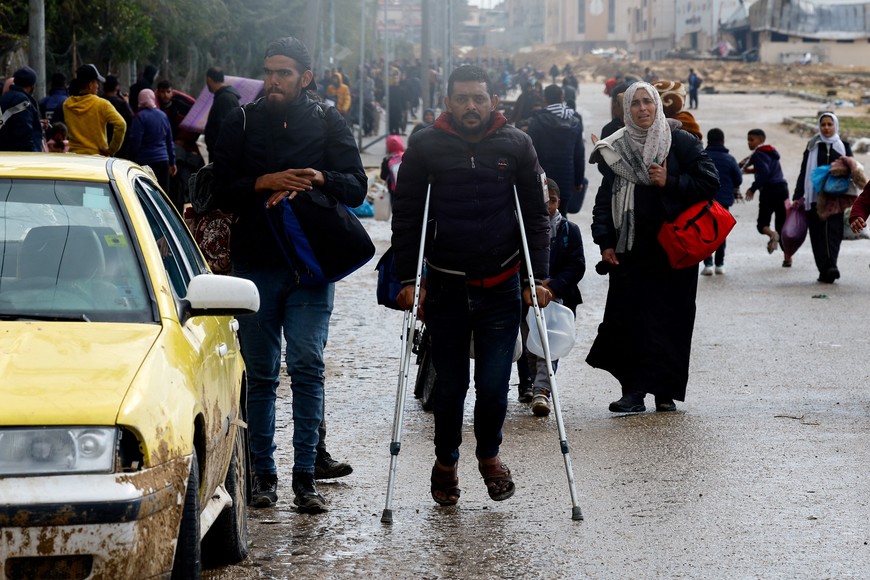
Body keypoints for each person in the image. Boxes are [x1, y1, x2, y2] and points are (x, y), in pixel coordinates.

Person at [212, 36, 366, 514]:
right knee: (259, 375)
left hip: (311, 266)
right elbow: (218, 187)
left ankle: (305, 478)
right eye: (268, 71)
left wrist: (317, 177)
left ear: (306, 77)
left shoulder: (327, 120)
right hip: (255, 264)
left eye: (283, 72)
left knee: (306, 365)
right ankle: (263, 476)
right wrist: (265, 182)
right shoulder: (241, 119)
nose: (273, 80)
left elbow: (356, 184)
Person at [391, 64, 551, 507]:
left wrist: (537, 278)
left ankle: (488, 456)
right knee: (450, 385)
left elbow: (536, 217)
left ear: (493, 101)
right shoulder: (425, 145)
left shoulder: (516, 144)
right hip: (445, 285)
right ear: (448, 103)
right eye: (462, 98)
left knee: (495, 383)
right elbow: (406, 217)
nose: (471, 106)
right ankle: (446, 460)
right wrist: (410, 279)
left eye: (479, 98)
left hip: (501, 282)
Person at [587, 82, 719, 414]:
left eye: (648, 102)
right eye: (635, 104)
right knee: (629, 319)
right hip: (630, 250)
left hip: (674, 252)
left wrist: (670, 182)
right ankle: (633, 392)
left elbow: (711, 182)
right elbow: (605, 199)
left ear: (658, 106)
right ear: (625, 109)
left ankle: (665, 392)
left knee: (670, 320)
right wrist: (604, 241)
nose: (642, 109)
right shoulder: (615, 148)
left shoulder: (681, 141)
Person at [524, 179, 585, 416]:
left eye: (553, 200)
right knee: (530, 345)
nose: (548, 205)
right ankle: (530, 385)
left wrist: (555, 287)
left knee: (549, 345)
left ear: (559, 201)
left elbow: (577, 265)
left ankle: (542, 390)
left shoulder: (568, 230)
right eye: (544, 201)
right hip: (529, 297)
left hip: (558, 300)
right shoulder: (526, 229)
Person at [792, 112, 854, 283]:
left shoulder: (843, 146)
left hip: (836, 197)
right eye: (823, 124)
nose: (826, 128)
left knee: (834, 232)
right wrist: (798, 195)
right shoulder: (813, 146)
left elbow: (853, 169)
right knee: (818, 234)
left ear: (835, 126)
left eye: (829, 124)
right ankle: (823, 269)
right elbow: (804, 171)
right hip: (814, 197)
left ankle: (832, 265)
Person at [526, 84, 585, 215]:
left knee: (542, 219)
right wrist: (578, 181)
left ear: (545, 99)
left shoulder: (537, 120)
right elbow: (579, 155)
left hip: (543, 180)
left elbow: (529, 154)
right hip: (567, 179)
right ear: (562, 97)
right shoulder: (575, 121)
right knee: (561, 216)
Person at [742, 128, 791, 264]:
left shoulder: (757, 154)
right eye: (748, 140)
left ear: (761, 140)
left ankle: (771, 234)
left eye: (752, 140)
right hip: (782, 188)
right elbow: (768, 168)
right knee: (782, 225)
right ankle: (788, 257)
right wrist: (752, 170)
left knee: (762, 224)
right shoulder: (771, 151)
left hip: (769, 190)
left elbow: (764, 173)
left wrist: (752, 188)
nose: (749, 143)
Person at [701, 128, 742, 275]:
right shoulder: (729, 159)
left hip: (705, 202)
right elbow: (738, 178)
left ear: (708, 140)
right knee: (721, 233)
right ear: (723, 141)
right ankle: (720, 264)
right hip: (723, 203)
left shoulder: (703, 157)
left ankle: (708, 265)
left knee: (706, 232)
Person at [63, 64, 126, 156]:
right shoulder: (101, 104)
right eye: (97, 83)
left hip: (75, 158)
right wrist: (111, 150)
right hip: (97, 158)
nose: (98, 86)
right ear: (90, 85)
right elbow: (121, 124)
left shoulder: (67, 105)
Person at [128, 89, 176, 193]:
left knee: (146, 194)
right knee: (163, 194)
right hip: (163, 161)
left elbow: (135, 142)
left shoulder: (140, 117)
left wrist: (131, 159)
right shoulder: (163, 115)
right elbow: (169, 141)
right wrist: (172, 162)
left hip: (145, 162)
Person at [0, 66, 43, 152]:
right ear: (31, 86)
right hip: (20, 157)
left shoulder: (4, 98)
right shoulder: (22, 101)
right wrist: (31, 153)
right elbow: (23, 131)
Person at [204, 67, 241, 157]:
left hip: (221, 155)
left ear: (209, 80)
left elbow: (225, 129)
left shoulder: (225, 99)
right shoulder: (223, 97)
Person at [102, 75, 134, 159]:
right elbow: (130, 118)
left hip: (103, 142)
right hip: (121, 144)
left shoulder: (99, 101)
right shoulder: (121, 103)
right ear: (117, 87)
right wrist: (126, 102)